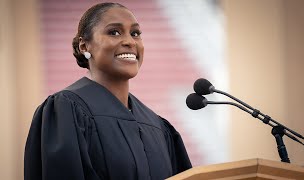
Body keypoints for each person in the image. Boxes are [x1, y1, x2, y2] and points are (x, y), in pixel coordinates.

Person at [24, 2, 192, 180]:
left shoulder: (158, 126)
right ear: (84, 46)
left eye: (135, 33)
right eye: (114, 32)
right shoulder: (66, 110)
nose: (129, 41)